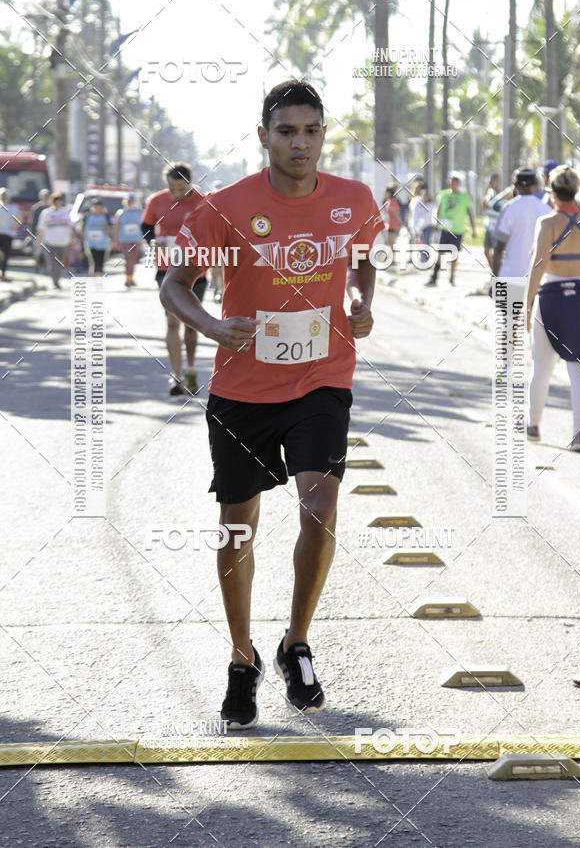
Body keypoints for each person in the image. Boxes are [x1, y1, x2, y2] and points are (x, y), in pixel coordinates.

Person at [160, 79, 383, 728]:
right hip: (242, 391)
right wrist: (211, 327)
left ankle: (296, 642)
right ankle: (240, 656)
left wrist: (362, 301)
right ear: (264, 137)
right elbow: (175, 285)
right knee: (237, 527)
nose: (300, 143)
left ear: (323, 136)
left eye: (311, 131)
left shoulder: (354, 199)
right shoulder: (224, 207)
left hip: (322, 377)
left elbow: (365, 257)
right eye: (286, 131)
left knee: (321, 503)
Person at [526, 165, 580, 452]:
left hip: (551, 296)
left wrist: (527, 305)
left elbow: (538, 266)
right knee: (579, 369)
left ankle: (533, 426)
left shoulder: (547, 222)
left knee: (541, 367)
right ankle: (579, 434)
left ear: (552, 193)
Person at [142, 164, 206, 395]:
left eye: (181, 188)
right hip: (165, 267)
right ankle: (176, 377)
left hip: (196, 269)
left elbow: (212, 229)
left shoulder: (202, 200)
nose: (176, 193)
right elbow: (146, 226)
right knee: (172, 321)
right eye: (172, 188)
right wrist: (152, 242)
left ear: (189, 183)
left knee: (191, 322)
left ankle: (190, 370)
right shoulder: (157, 201)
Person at [492, 169, 547, 278]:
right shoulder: (546, 209)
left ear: (515, 185)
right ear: (536, 184)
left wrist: (495, 280)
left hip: (510, 275)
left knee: (509, 296)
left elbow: (498, 249)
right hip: (539, 277)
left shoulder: (508, 208)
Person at [427, 172, 476, 286]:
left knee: (454, 254)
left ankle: (452, 277)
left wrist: (473, 229)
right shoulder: (443, 195)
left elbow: (470, 213)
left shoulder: (464, 197)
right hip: (445, 229)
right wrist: (435, 220)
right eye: (451, 182)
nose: (453, 184)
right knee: (440, 252)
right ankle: (434, 277)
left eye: (455, 182)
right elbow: (438, 209)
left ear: (458, 183)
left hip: (457, 229)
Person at [36, 192, 76, 288]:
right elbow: (41, 228)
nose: (58, 203)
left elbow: (71, 227)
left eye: (59, 201)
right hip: (50, 242)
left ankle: (57, 279)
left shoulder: (65, 212)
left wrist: (72, 239)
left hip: (63, 242)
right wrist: (38, 241)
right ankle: (54, 281)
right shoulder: (46, 213)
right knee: (52, 262)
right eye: (56, 201)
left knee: (60, 263)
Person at [113, 194, 143, 287]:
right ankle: (127, 279)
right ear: (125, 202)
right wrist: (115, 240)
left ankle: (131, 278)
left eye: (132, 201)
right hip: (124, 240)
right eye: (128, 201)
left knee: (133, 260)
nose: (130, 203)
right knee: (128, 259)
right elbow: (116, 227)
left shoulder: (139, 212)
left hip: (137, 239)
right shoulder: (120, 213)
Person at [81, 199, 113, 277]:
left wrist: (105, 225)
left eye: (99, 207)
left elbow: (110, 230)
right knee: (94, 260)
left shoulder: (106, 216)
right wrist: (83, 237)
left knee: (101, 260)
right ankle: (95, 276)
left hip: (102, 242)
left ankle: (99, 276)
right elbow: (82, 227)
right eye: (95, 206)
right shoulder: (87, 216)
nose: (97, 208)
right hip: (91, 242)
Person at [0, 188, 21, 282]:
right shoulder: (14, 208)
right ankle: (3, 273)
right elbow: (18, 221)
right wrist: (13, 228)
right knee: (5, 254)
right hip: (8, 234)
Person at [28, 188, 51, 270]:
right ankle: (36, 266)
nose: (46, 197)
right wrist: (31, 233)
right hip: (38, 232)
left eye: (47, 195)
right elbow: (32, 221)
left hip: (48, 233)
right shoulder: (36, 207)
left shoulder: (51, 207)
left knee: (47, 251)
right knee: (37, 251)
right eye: (44, 195)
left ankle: (46, 267)